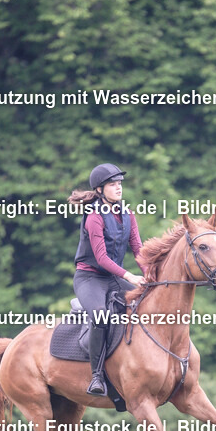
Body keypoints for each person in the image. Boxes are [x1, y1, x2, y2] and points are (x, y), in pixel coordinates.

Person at [69, 163, 146, 396]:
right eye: (113, 185)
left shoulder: (127, 214)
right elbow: (101, 258)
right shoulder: (94, 217)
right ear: (100, 190)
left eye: (120, 184)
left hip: (112, 278)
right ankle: (96, 377)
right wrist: (130, 275)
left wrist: (151, 274)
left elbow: (138, 250)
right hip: (89, 278)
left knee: (147, 299)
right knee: (102, 316)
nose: (119, 188)